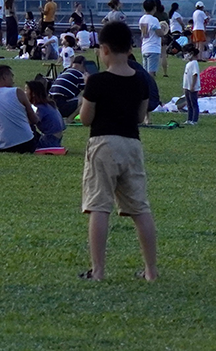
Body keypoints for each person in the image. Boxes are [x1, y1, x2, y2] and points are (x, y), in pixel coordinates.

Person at [78, 18, 157, 282]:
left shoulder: (97, 81)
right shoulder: (141, 80)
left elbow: (86, 118)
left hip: (102, 144)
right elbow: (139, 116)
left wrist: (87, 94)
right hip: (132, 145)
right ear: (130, 48)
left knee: (99, 207)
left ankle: (98, 271)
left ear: (105, 50)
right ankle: (151, 271)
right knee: (140, 209)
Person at [29, 78, 66, 149]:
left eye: (26, 90)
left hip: (49, 139)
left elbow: (31, 121)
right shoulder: (48, 104)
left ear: (33, 94)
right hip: (57, 138)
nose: (24, 93)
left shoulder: (40, 108)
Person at [51, 52, 89, 118]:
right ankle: (69, 119)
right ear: (82, 64)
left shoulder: (66, 72)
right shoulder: (79, 75)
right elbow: (89, 90)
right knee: (86, 100)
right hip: (62, 106)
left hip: (52, 107)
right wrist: (88, 79)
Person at [138, 0, 163, 77]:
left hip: (145, 47)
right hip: (153, 48)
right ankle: (150, 88)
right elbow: (159, 33)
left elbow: (143, 34)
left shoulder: (142, 19)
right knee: (151, 73)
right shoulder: (154, 19)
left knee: (145, 72)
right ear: (154, 8)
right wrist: (163, 31)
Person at [181, 45, 200, 125]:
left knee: (193, 104)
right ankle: (189, 119)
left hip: (192, 87)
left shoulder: (194, 63)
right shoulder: (189, 63)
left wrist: (192, 86)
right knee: (189, 104)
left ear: (191, 53)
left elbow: (195, 75)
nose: (185, 55)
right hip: (187, 87)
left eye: (186, 53)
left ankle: (194, 120)